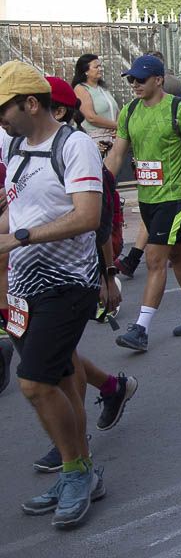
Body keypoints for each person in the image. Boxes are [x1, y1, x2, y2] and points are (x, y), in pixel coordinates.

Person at [0, 62, 107, 528]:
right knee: (61, 381)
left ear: (30, 103)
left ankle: (77, 472)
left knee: (34, 382)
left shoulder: (75, 145)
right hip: (23, 286)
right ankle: (79, 471)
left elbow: (86, 216)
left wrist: (18, 237)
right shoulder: (13, 143)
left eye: (2, 109)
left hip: (69, 284)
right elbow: (17, 208)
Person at [104, 55, 181, 352]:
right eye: (132, 80)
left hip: (174, 196)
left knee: (155, 259)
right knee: (177, 255)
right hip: (147, 197)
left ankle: (141, 329)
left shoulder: (179, 110)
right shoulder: (130, 111)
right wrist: (97, 185)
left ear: (158, 80)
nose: (135, 84)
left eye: (141, 79)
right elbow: (116, 155)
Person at [71, 54, 119, 149]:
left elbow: (116, 110)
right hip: (95, 142)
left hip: (112, 139)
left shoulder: (102, 89)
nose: (100, 69)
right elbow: (91, 117)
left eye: (100, 66)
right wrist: (117, 126)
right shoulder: (81, 89)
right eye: (96, 67)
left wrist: (117, 129)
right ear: (86, 71)